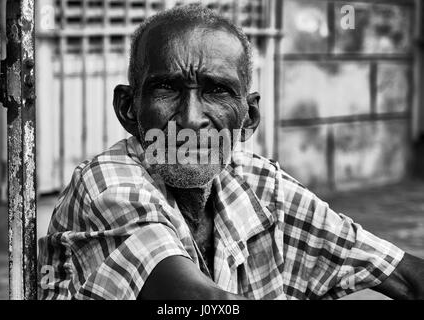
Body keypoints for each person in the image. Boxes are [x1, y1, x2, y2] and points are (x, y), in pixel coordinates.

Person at [37, 4, 424, 300]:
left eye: (216, 91)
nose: (190, 120)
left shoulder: (257, 183)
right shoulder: (107, 182)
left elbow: (396, 270)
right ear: (128, 109)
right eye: (166, 89)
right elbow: (199, 300)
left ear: (248, 116)